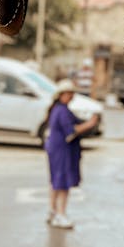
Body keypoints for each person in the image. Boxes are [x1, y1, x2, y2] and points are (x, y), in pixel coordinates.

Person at [44, 79, 99, 230]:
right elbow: (71, 132)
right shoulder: (62, 111)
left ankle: (52, 211)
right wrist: (90, 123)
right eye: (68, 93)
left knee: (55, 181)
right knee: (62, 183)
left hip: (55, 149)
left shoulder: (59, 109)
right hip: (62, 150)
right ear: (61, 95)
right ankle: (60, 214)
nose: (71, 96)